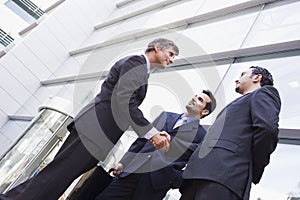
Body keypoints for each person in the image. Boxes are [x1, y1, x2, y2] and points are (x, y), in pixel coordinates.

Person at [0, 38, 179, 200]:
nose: (171, 60)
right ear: (157, 47)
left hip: (97, 133)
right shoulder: (136, 63)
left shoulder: (142, 70)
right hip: (94, 130)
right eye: (170, 54)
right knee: (58, 175)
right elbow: (124, 101)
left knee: (60, 176)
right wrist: (152, 133)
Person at [179, 66, 281, 200]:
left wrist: (253, 167)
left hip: (224, 176)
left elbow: (267, 130)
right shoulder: (239, 103)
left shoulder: (265, 93)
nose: (236, 80)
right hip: (199, 174)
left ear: (257, 77)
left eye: (243, 74)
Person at [95, 90, 216, 200]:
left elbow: (197, 163)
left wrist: (175, 180)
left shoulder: (201, 135)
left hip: (155, 184)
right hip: (132, 171)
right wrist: (123, 163)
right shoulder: (165, 116)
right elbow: (142, 140)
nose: (194, 98)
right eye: (195, 96)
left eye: (200, 100)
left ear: (205, 111)